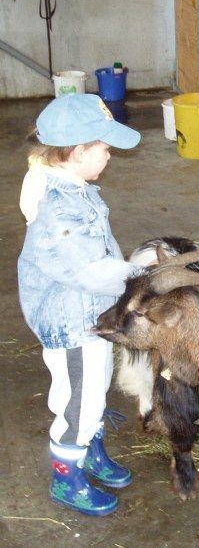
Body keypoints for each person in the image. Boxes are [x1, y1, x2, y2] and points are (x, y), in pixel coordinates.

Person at [17, 93, 141, 517]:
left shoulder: (72, 184)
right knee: (78, 400)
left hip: (92, 312)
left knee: (96, 383)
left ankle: (89, 448)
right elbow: (88, 270)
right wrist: (137, 273)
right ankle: (66, 475)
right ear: (75, 152)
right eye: (103, 147)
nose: (109, 154)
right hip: (70, 320)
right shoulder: (60, 207)